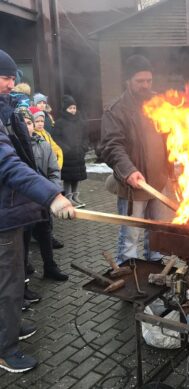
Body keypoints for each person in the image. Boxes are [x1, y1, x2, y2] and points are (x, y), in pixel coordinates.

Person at [0, 49, 74, 373]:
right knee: (9, 283)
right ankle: (5, 349)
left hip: (14, 210)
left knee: (13, 279)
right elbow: (8, 164)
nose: (11, 83)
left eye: (13, 77)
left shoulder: (9, 111)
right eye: (5, 77)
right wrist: (51, 196)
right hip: (3, 214)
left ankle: (10, 328)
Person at [100, 54, 170, 265]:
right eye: (140, 81)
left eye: (149, 80)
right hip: (134, 184)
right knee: (132, 233)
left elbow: (169, 136)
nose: (145, 85)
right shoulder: (116, 111)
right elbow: (111, 146)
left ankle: (156, 266)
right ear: (128, 81)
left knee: (157, 228)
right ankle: (128, 269)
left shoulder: (159, 104)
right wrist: (128, 171)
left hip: (159, 181)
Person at [18, 107, 68, 282]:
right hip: (23, 203)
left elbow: (54, 172)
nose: (27, 127)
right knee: (24, 239)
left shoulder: (44, 145)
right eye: (22, 123)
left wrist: (53, 194)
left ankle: (50, 267)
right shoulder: (13, 147)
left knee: (45, 233)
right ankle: (23, 273)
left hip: (43, 200)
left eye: (30, 123)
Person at [52, 95, 88, 208]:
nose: (73, 110)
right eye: (70, 108)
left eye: (74, 107)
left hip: (78, 154)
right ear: (65, 109)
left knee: (76, 177)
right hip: (67, 156)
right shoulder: (59, 122)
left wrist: (83, 147)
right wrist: (66, 149)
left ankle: (75, 196)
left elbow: (86, 137)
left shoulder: (81, 121)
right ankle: (68, 197)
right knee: (68, 177)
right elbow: (56, 138)